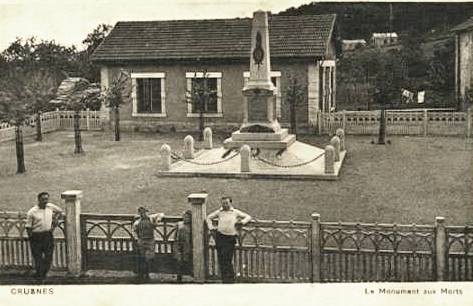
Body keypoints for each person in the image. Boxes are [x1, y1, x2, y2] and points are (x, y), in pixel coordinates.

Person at [206, 196, 251, 283]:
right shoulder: (219, 212)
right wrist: (211, 228)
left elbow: (248, 217)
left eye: (226, 203)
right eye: (223, 203)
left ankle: (230, 279)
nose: (225, 205)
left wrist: (241, 222)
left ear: (230, 203)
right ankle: (224, 279)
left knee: (227, 259)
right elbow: (208, 217)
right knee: (221, 259)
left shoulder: (235, 212)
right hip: (220, 237)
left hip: (230, 238)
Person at [25, 192, 63, 280]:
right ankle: (40, 275)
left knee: (48, 256)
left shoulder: (50, 207)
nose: (45, 201)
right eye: (43, 199)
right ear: (38, 200)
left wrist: (55, 221)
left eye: (46, 199)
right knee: (38, 256)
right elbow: (28, 227)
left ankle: (43, 273)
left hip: (47, 235)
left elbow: (60, 211)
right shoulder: (32, 212)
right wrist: (32, 238)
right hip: (36, 235)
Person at [132, 206, 164, 282]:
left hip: (150, 240)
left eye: (145, 212)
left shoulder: (151, 218)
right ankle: (144, 273)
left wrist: (158, 220)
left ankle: (147, 272)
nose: (144, 214)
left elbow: (161, 214)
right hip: (142, 240)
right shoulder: (137, 222)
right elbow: (134, 231)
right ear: (139, 214)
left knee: (149, 257)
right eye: (141, 213)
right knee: (142, 257)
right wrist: (137, 239)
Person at [173, 210, 193, 282]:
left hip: (187, 244)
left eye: (187, 217)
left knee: (186, 259)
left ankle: (189, 274)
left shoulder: (192, 226)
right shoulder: (179, 224)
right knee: (178, 259)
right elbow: (175, 234)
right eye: (184, 216)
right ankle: (179, 276)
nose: (185, 218)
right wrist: (175, 242)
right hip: (178, 243)